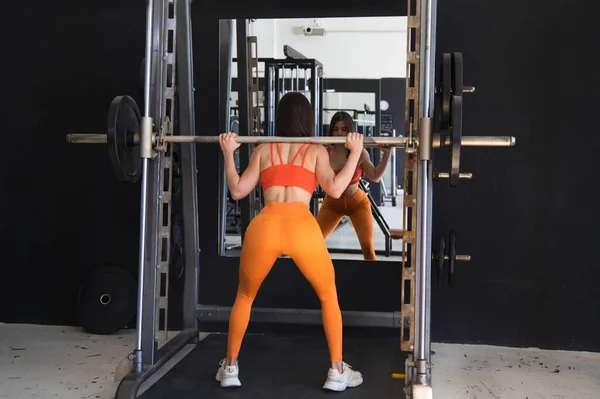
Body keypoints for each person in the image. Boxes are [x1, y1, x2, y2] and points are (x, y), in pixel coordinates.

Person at [215, 92, 364, 392]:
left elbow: (237, 190)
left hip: (265, 227)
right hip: (302, 228)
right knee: (327, 296)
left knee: (244, 297)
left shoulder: (263, 149)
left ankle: (230, 366)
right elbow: (335, 189)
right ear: (307, 119)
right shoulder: (316, 150)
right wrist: (357, 152)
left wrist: (228, 152)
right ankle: (337, 370)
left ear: (279, 117)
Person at [315, 111, 392, 260]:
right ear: (331, 130)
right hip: (332, 204)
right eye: (336, 129)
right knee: (314, 242)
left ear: (350, 131)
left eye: (344, 129)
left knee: (368, 249)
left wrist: (387, 154)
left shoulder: (359, 152)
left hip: (357, 203)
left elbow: (375, 176)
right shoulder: (325, 151)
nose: (339, 133)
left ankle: (372, 282)